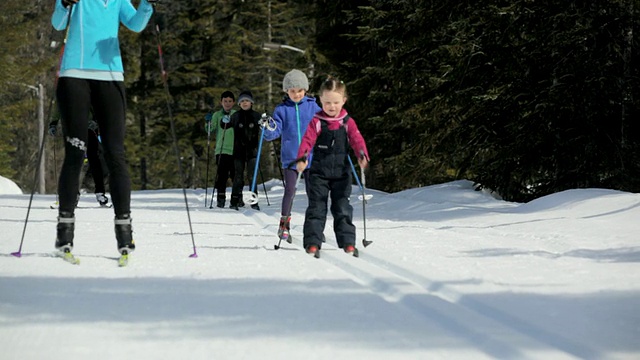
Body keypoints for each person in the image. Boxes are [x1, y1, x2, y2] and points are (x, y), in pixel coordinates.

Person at [51, 0, 154, 258]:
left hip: (110, 77)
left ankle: (124, 231)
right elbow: (58, 22)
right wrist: (64, 4)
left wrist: (147, 5)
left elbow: (136, 24)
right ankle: (65, 231)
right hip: (74, 74)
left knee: (115, 154)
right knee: (75, 152)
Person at [295, 76, 369, 256]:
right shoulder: (317, 121)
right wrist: (302, 157)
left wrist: (362, 153)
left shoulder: (346, 121)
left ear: (343, 101)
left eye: (336, 102)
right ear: (321, 100)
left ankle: (347, 242)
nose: (331, 107)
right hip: (319, 173)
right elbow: (307, 140)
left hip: (341, 173)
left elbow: (356, 138)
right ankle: (313, 242)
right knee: (317, 208)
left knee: (342, 208)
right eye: (327, 102)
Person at [264, 69, 321, 241]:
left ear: (305, 90)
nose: (296, 94)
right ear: (286, 91)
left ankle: (314, 227)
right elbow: (274, 133)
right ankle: (284, 226)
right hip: (291, 158)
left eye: (300, 90)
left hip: (311, 157)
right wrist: (268, 128)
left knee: (314, 193)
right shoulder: (281, 110)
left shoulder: (313, 107)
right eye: (292, 91)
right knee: (290, 191)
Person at [49, 117, 110, 207]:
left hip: (91, 129)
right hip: (73, 128)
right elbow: (60, 105)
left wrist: (96, 121)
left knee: (95, 159)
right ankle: (73, 195)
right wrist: (53, 123)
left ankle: (100, 193)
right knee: (74, 160)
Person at [229, 90, 261, 210]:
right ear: (239, 104)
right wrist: (223, 122)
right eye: (242, 101)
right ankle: (235, 201)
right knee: (238, 177)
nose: (245, 103)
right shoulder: (236, 116)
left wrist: (266, 122)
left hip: (252, 151)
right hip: (238, 151)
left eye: (247, 100)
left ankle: (254, 202)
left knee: (252, 177)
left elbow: (266, 128)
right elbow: (225, 125)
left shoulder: (256, 116)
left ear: (251, 102)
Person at [205, 90, 236, 208]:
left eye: (229, 101)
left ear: (233, 102)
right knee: (222, 176)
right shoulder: (217, 115)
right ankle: (221, 198)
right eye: (225, 101)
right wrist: (208, 122)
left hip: (235, 150)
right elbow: (211, 129)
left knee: (235, 175)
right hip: (221, 150)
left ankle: (237, 198)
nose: (227, 103)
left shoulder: (236, 114)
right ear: (221, 102)